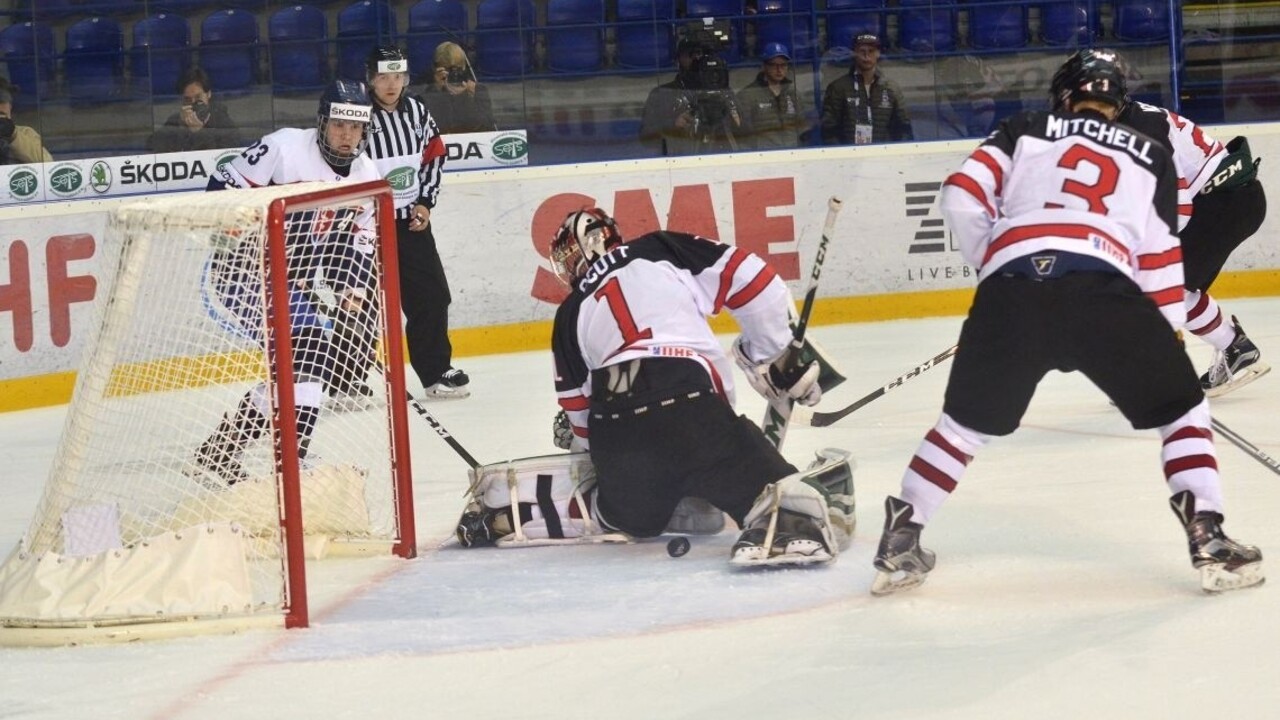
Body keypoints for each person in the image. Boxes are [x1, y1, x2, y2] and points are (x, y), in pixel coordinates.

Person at [871, 49, 1262, 596]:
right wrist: (1165, 329)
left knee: (961, 426)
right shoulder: (1149, 151)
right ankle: (1208, 535)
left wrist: (997, 265)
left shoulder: (1022, 129)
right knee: (1182, 413)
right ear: (1116, 102)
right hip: (1101, 292)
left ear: (1063, 96)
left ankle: (902, 535)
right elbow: (1158, 256)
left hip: (1012, 290)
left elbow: (961, 195)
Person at [455, 208, 855, 567]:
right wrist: (770, 353)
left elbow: (578, 410)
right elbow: (752, 280)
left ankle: (518, 509)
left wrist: (609, 462)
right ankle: (775, 519)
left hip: (616, 428)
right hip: (690, 406)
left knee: (627, 517)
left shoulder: (570, 311)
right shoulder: (659, 248)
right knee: (785, 499)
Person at [189, 79, 382, 485]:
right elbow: (223, 183)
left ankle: (223, 453)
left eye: (356, 127)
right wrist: (236, 230)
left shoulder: (367, 177)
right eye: (339, 126)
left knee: (307, 367)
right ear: (322, 123)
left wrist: (352, 291)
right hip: (244, 272)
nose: (347, 136)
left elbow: (356, 248)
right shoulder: (284, 148)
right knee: (310, 352)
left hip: (290, 282)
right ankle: (287, 461)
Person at [1101, 51, 1269, 396]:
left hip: (1224, 203)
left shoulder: (1142, 132)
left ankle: (1234, 347)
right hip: (1221, 202)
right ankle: (1231, 348)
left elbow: (1177, 208)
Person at [361, 46, 468, 402]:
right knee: (360, 301)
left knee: (433, 295)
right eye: (383, 77)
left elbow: (434, 155)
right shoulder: (358, 115)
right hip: (365, 227)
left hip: (411, 225)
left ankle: (436, 372)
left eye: (398, 77)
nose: (391, 85)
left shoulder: (417, 111)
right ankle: (345, 377)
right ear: (370, 79)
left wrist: (425, 202)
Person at [638, 32, 742, 156]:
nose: (696, 59)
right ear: (678, 60)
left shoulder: (723, 91)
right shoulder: (662, 94)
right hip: (680, 162)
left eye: (700, 54)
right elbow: (646, 138)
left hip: (721, 160)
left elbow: (748, 132)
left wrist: (734, 118)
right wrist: (672, 126)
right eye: (690, 54)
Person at [821, 33, 913, 145]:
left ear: (878, 53)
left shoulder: (891, 88)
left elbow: (904, 128)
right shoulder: (838, 88)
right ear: (854, 53)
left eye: (871, 51)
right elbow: (829, 130)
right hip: (849, 157)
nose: (866, 56)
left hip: (883, 157)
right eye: (862, 51)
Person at [148, 67, 241, 154]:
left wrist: (200, 132)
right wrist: (180, 126)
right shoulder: (176, 120)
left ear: (208, 94)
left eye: (198, 97)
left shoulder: (223, 122)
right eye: (188, 99)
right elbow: (152, 145)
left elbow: (226, 155)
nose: (193, 103)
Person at [735, 42, 804, 150]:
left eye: (783, 65)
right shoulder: (747, 95)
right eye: (774, 65)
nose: (779, 69)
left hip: (792, 154)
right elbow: (743, 133)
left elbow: (802, 126)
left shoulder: (793, 92)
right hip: (763, 156)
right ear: (764, 66)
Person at [418, 41, 496, 134]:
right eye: (447, 69)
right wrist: (437, 90)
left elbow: (487, 126)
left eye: (457, 69)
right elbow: (428, 126)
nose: (453, 74)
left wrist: (467, 97)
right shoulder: (429, 93)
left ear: (463, 67)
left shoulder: (478, 90)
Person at [0, 76, 52, 164]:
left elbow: (46, 162)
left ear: (10, 106)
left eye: (3, 101)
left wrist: (13, 136)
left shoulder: (25, 133)